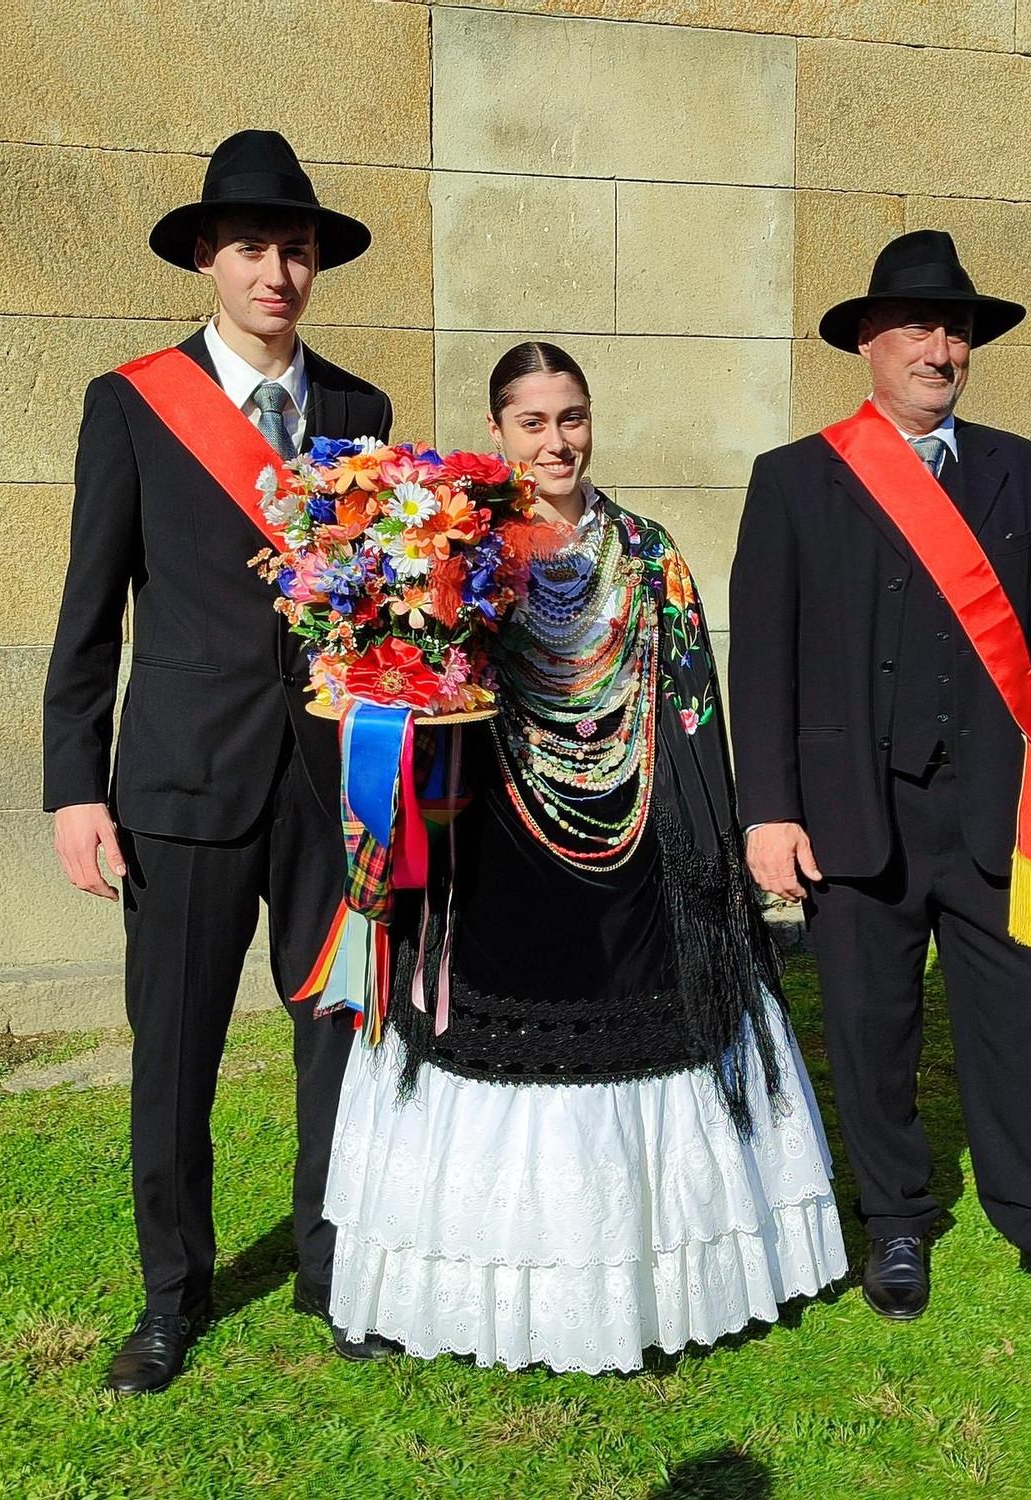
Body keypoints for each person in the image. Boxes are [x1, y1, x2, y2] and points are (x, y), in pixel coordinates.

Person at [321, 342, 846, 1372]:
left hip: (639, 844)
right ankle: (480, 1293)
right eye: (533, 422)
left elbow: (692, 701)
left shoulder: (649, 552)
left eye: (571, 417)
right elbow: (419, 697)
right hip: (500, 843)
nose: (556, 439)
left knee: (651, 1039)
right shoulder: (458, 553)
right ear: (498, 432)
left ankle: (651, 1290)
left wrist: (709, 848)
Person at [41, 129, 396, 1395]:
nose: (276, 272)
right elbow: (90, 611)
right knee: (175, 1054)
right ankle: (168, 1296)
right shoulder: (132, 403)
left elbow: (375, 609)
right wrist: (75, 786)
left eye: (296, 249)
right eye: (252, 247)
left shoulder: (360, 412)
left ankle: (331, 1265)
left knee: (338, 1039)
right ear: (209, 258)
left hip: (326, 793)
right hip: (181, 788)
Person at [728, 230, 1031, 1330]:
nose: (937, 347)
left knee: (1023, 1026)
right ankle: (897, 1224)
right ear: (866, 341)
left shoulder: (1018, 470)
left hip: (996, 809)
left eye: (953, 328)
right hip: (854, 810)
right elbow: (757, 659)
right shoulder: (795, 480)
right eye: (913, 325)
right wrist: (765, 809)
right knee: (869, 1025)